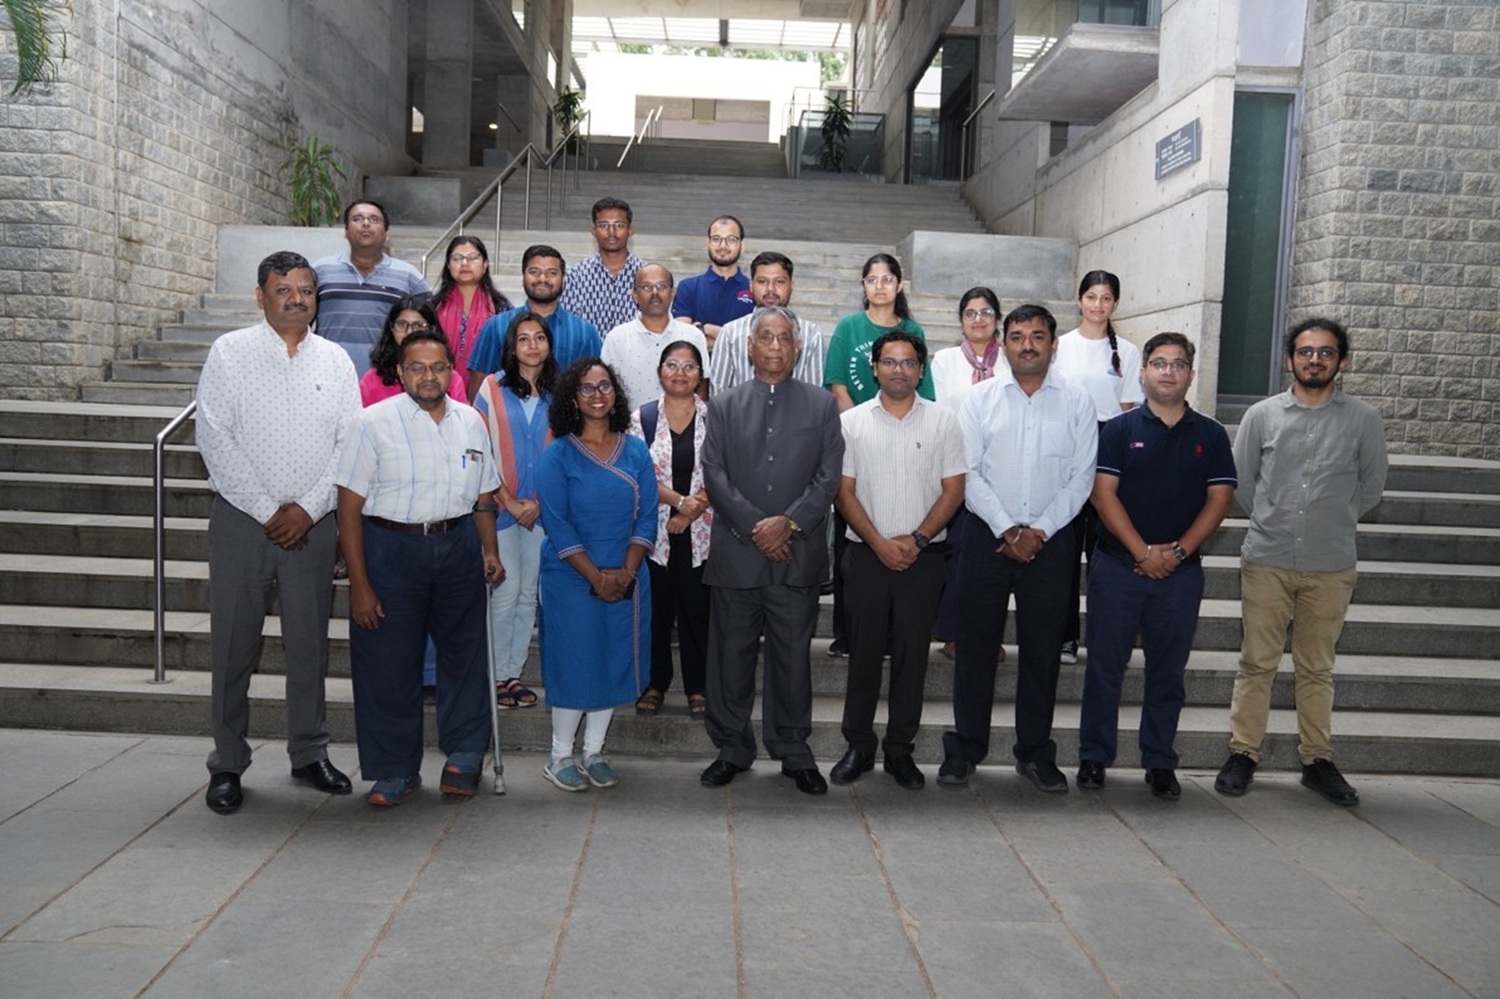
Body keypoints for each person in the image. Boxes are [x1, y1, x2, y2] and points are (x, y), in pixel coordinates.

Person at [195, 250, 361, 815]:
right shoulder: (230, 353)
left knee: (309, 646)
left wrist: (308, 510)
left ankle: (309, 751)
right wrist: (270, 510)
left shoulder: (336, 361)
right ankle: (226, 763)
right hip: (243, 522)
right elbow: (214, 437)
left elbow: (349, 442)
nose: (296, 298)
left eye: (306, 290)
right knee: (233, 645)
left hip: (313, 528)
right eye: (283, 289)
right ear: (260, 296)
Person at [1215, 317, 1388, 806]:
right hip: (1267, 557)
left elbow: (1371, 487)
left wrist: (1334, 519)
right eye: (1306, 352)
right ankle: (1243, 753)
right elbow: (1244, 483)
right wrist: (1274, 519)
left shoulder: (1364, 420)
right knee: (1256, 663)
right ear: (1290, 359)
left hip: (1331, 562)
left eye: (1326, 352)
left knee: (1317, 667)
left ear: (1342, 361)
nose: (1315, 360)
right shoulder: (1263, 416)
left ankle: (1317, 760)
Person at [336, 330, 503, 806]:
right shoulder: (370, 423)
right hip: (391, 548)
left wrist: (489, 552)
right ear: (401, 372)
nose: (428, 376)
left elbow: (484, 496)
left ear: (452, 371)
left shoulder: (472, 422)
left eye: (437, 367)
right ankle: (393, 770)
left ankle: (465, 755)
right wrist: (360, 583)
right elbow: (348, 508)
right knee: (387, 663)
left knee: (464, 656)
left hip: (457, 546)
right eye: (417, 367)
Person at [939, 305, 1097, 793]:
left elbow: (1082, 477)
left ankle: (1034, 752)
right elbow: (969, 472)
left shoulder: (1077, 401)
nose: (1027, 344)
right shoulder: (979, 400)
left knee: (1043, 652)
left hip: (1052, 542)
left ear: (1054, 344)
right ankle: (965, 748)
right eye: (1018, 336)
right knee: (975, 649)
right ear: (1003, 344)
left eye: (1038, 336)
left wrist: (1040, 531)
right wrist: (1009, 529)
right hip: (986, 536)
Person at [1076, 332, 1236, 800]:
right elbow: (1102, 494)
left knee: (1168, 672)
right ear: (1142, 372)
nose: (1168, 371)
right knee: (1105, 667)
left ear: (1191, 374)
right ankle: (1093, 757)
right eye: (1159, 363)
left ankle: (1160, 761)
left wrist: (1178, 553)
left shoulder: (1210, 433)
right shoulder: (1119, 430)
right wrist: (1143, 552)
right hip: (1118, 569)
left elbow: (1220, 498)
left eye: (1178, 364)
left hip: (1180, 577)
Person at [699, 306, 843, 796]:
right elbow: (714, 475)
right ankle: (732, 748)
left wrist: (789, 524)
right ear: (749, 346)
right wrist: (757, 528)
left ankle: (794, 751)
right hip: (737, 555)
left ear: (798, 348)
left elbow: (828, 478)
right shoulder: (722, 405)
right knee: (730, 659)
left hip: (795, 557)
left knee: (791, 659)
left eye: (785, 338)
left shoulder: (822, 405)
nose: (776, 347)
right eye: (767, 338)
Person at [830, 331, 965, 790]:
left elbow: (954, 489)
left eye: (908, 363)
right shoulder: (851, 423)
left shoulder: (944, 422)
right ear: (875, 368)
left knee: (913, 659)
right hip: (866, 555)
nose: (899, 370)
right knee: (864, 655)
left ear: (921, 370)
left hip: (923, 559)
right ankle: (859, 746)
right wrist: (881, 543)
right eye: (890, 362)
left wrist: (919, 538)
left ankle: (900, 751)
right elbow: (842, 493)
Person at [534, 358, 657, 792]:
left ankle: (593, 751)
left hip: (626, 574)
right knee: (576, 663)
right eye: (587, 388)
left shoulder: (637, 450)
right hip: (572, 576)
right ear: (573, 398)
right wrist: (595, 576)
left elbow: (647, 518)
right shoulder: (558, 453)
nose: (598, 394)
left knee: (611, 659)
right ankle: (559, 754)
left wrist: (624, 572)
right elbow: (557, 521)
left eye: (605, 386)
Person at [823, 252, 934, 657]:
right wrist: (867, 426)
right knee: (850, 538)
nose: (880, 286)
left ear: (899, 285)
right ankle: (846, 633)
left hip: (908, 441)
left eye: (888, 279)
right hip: (856, 438)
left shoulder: (912, 329)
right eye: (873, 279)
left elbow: (926, 392)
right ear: (864, 285)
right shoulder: (849, 327)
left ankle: (894, 632)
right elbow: (836, 385)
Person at [1053, 270, 1143, 665]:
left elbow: (1128, 410)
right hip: (1067, 445)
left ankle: (1105, 637)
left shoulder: (1127, 350)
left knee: (1106, 553)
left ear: (1115, 304)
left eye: (1106, 298)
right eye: (1091, 296)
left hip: (1110, 448)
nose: (1097, 305)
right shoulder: (1060, 346)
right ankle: (1065, 636)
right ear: (1079, 299)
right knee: (1066, 550)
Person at [472, 311, 557, 711]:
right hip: (499, 510)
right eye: (523, 339)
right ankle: (492, 674)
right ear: (512, 346)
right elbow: (479, 450)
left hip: (542, 513)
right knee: (503, 594)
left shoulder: (561, 392)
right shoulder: (491, 388)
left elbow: (567, 455)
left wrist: (538, 503)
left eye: (539, 337)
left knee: (527, 595)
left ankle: (512, 674)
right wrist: (508, 500)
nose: (532, 345)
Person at [628, 342, 713, 720]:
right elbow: (637, 473)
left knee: (698, 612)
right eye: (673, 365)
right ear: (660, 371)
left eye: (690, 366)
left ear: (700, 375)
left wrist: (695, 507)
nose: (681, 372)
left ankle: (699, 686)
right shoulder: (641, 418)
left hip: (703, 534)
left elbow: (726, 470)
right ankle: (655, 683)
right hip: (653, 533)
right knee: (656, 612)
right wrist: (680, 504)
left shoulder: (716, 418)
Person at [929, 286, 1006, 664]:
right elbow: (940, 410)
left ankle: (988, 635)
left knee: (994, 556)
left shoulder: (1011, 360)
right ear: (961, 320)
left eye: (987, 312)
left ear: (997, 319)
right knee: (958, 553)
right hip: (955, 465)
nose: (979, 319)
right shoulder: (944, 360)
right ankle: (955, 633)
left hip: (1000, 468)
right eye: (971, 313)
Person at [465, 244, 603, 400]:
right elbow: (478, 389)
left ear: (563, 279)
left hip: (565, 422)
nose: (542, 279)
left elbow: (594, 388)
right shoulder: (496, 326)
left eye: (552, 273)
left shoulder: (584, 332)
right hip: (506, 422)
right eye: (534, 272)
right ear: (523, 275)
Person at [313, 200, 429, 375]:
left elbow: (428, 332)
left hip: (387, 380)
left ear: (387, 233)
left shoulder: (410, 277)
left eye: (374, 219)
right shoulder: (319, 271)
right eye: (357, 218)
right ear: (345, 231)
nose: (366, 223)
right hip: (327, 375)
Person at [708, 251, 825, 392]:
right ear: (751, 286)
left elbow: (813, 396)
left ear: (792, 285)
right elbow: (718, 393)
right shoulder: (730, 333)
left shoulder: (811, 335)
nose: (770, 289)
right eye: (762, 281)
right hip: (740, 414)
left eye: (779, 282)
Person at [600, 263, 709, 406]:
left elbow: (702, 387)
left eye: (662, 286)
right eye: (646, 287)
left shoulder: (693, 336)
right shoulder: (617, 338)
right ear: (634, 296)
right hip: (630, 427)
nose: (655, 293)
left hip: (683, 426)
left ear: (673, 293)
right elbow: (606, 388)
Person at [431, 235, 511, 390]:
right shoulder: (433, 307)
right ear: (448, 265)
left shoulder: (501, 308)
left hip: (490, 393)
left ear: (485, 264)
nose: (465, 263)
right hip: (438, 392)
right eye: (457, 258)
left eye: (473, 258)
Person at [557, 196, 645, 335]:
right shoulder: (575, 276)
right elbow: (566, 326)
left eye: (619, 226)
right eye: (604, 225)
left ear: (630, 230)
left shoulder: (646, 275)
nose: (611, 233)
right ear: (593, 231)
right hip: (587, 355)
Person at [360, 296, 467, 406]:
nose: (409, 332)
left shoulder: (449, 378)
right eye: (402, 325)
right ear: (391, 328)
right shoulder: (372, 379)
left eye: (419, 325)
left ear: (432, 329)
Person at [671, 214, 753, 351]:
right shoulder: (688, 287)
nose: (723, 245)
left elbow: (756, 343)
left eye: (731, 239)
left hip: (742, 372)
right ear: (707, 243)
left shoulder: (754, 289)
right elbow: (683, 340)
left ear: (742, 245)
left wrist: (706, 329)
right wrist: (736, 341)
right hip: (701, 372)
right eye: (716, 239)